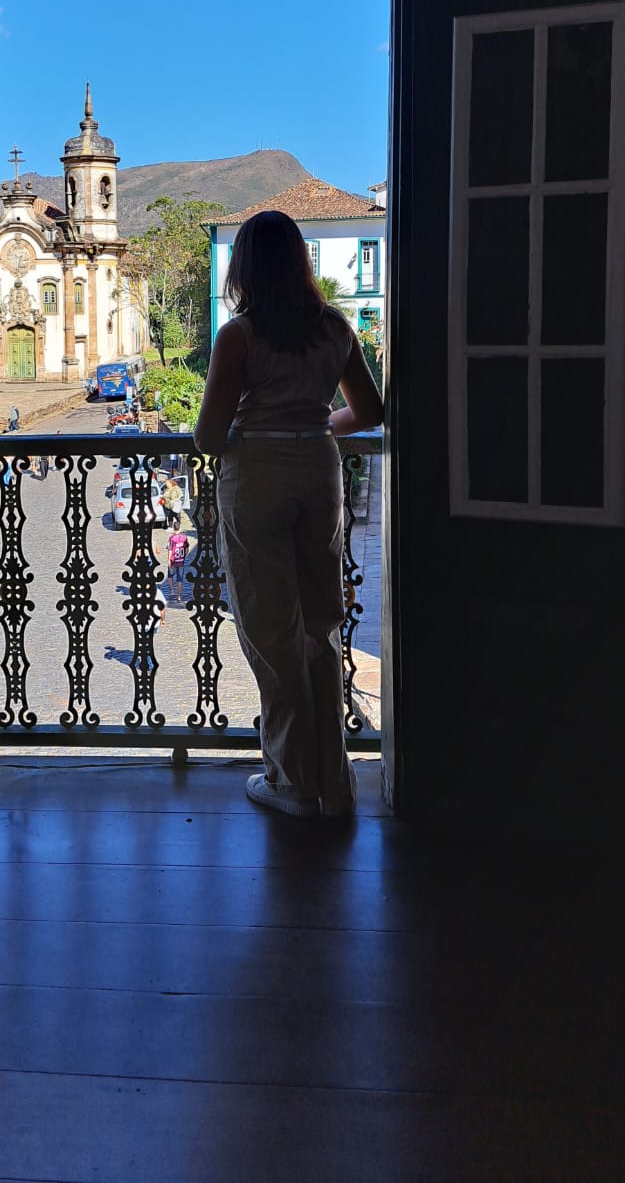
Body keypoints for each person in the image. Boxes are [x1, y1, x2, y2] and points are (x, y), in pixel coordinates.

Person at [194, 209, 383, 821]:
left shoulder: (240, 335)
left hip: (257, 477)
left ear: (245, 267)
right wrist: (314, 426)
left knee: (271, 630)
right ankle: (335, 782)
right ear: (301, 260)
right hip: (319, 473)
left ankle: (291, 780)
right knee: (320, 623)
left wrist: (262, 429)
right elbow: (369, 412)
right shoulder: (334, 328)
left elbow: (208, 436)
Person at [165, 518, 190, 603]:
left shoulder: (172, 538)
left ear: (173, 528)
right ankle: (179, 596)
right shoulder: (184, 537)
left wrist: (168, 560)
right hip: (181, 560)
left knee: (170, 575)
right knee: (180, 579)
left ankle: (172, 590)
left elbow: (170, 550)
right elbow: (187, 548)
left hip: (173, 560)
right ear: (180, 528)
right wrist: (184, 556)